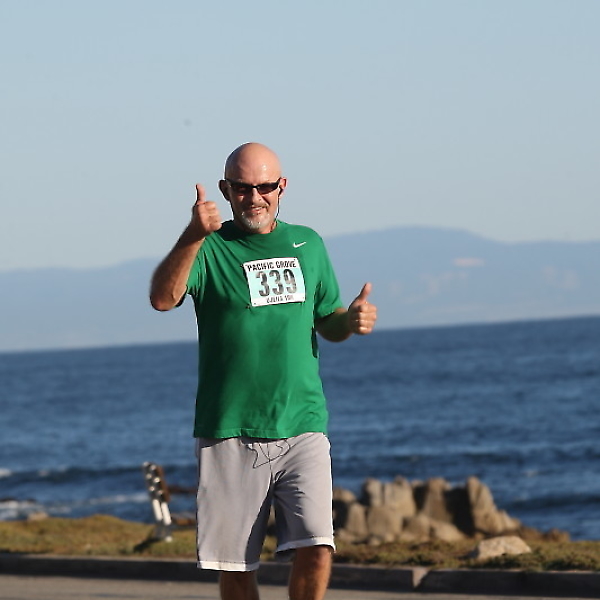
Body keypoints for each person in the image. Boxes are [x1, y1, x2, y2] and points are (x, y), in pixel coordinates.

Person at [150, 143, 377, 600]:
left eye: (265, 187)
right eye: (242, 188)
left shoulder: (308, 244)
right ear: (225, 190)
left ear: (282, 187)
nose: (254, 197)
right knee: (237, 568)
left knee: (318, 547)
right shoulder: (208, 248)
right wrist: (193, 234)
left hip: (302, 424)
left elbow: (327, 321)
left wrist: (350, 322)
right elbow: (162, 298)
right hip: (229, 429)